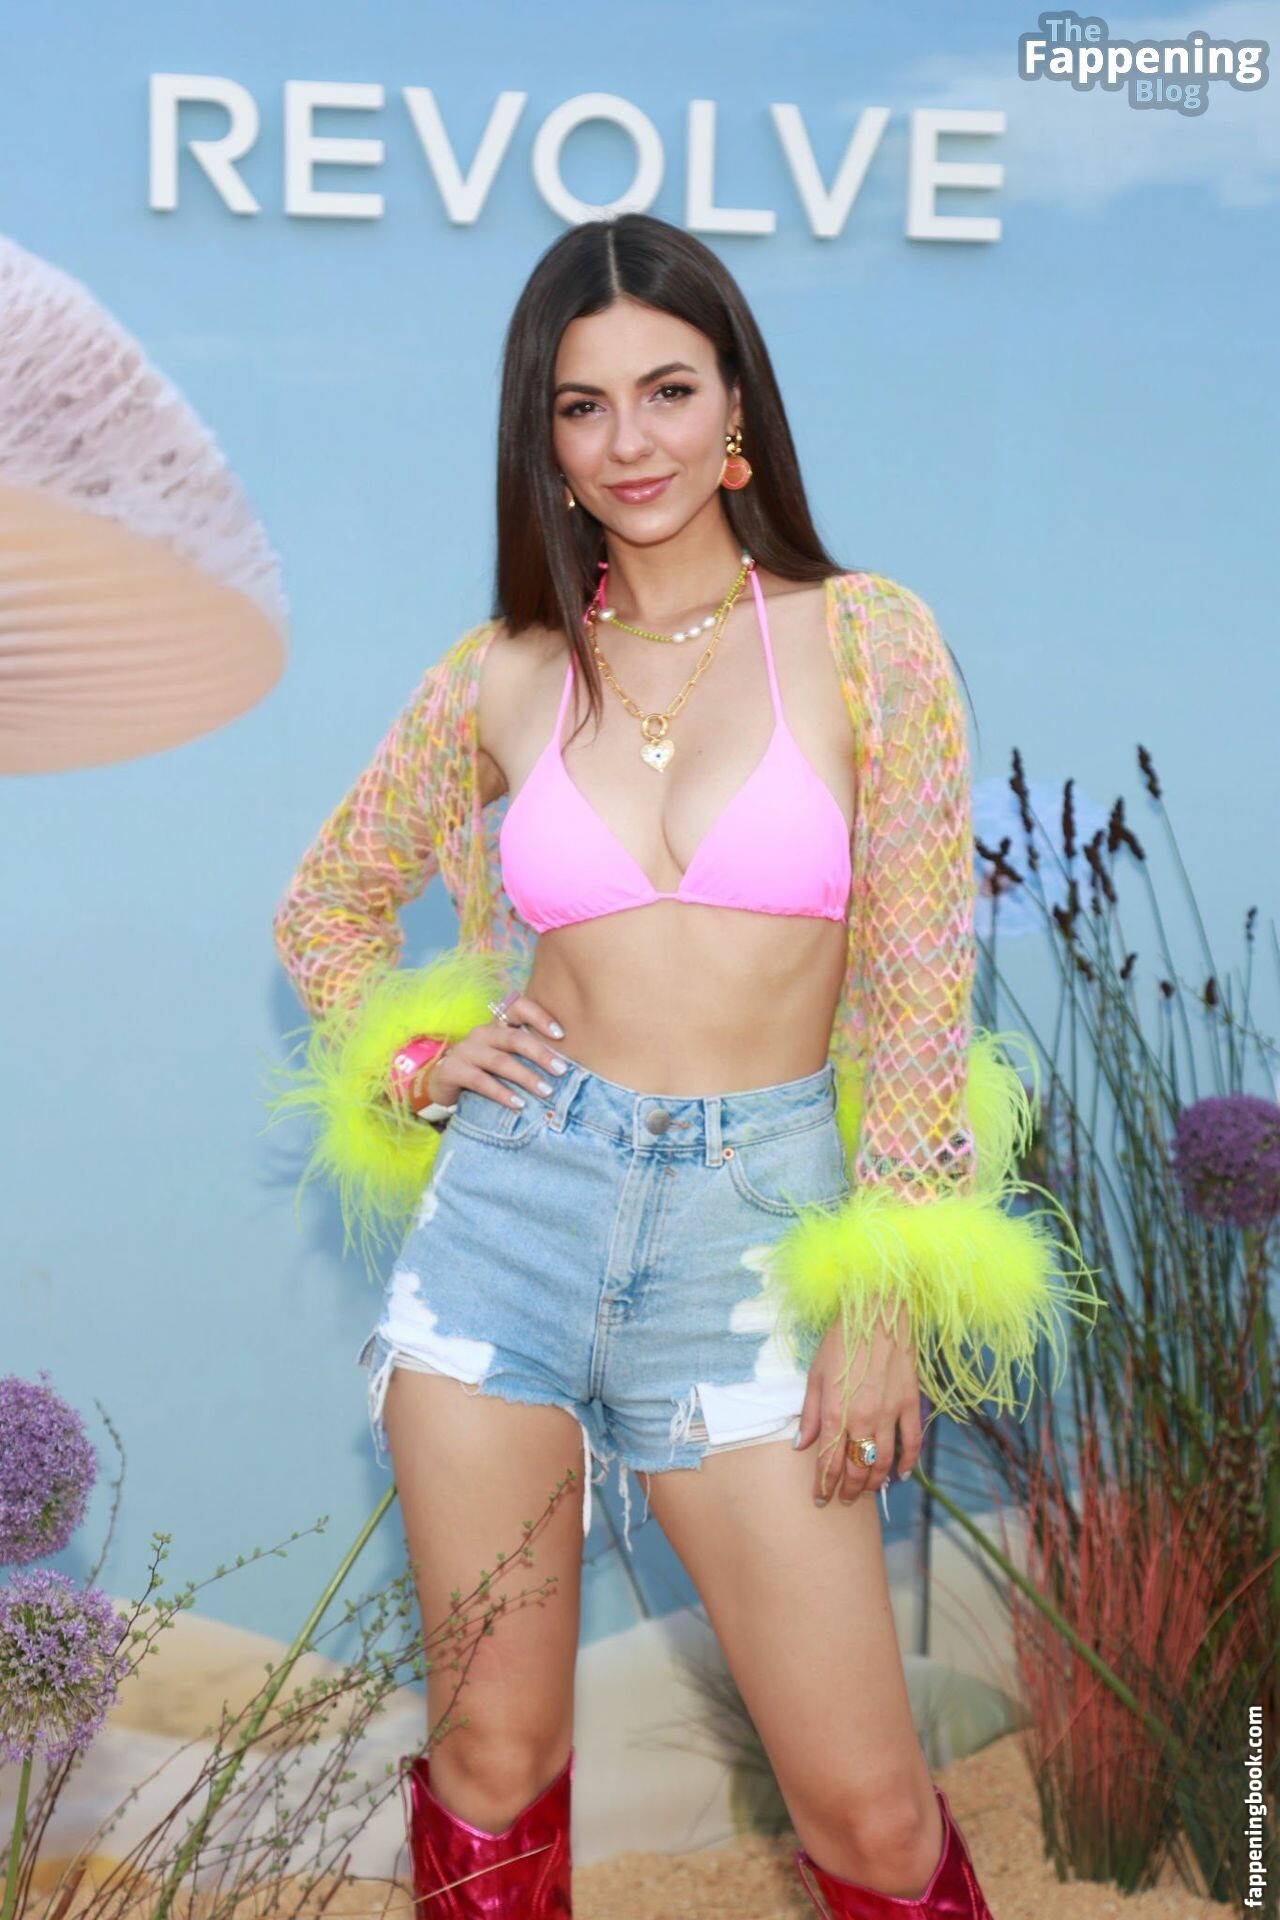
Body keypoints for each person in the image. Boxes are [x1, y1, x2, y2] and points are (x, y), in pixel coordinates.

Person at [268, 212, 1099, 1919]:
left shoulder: (867, 642)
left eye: (666, 390)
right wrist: (420, 1060)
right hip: (509, 1233)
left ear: (736, 409)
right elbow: (326, 906)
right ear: (545, 440)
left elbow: (921, 992)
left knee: (871, 1815)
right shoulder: (504, 673)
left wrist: (883, 1294)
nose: (627, 441)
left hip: (757, 1238)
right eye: (582, 406)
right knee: (493, 1763)